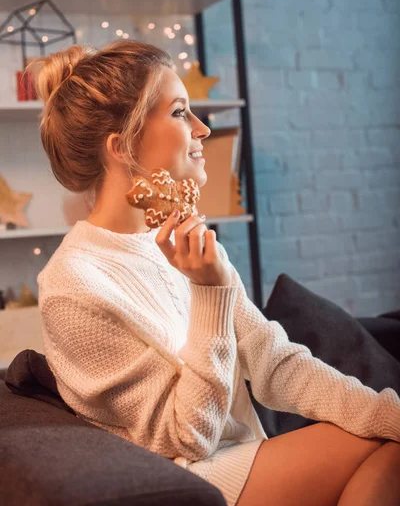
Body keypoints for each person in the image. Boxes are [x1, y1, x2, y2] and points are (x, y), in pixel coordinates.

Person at [33, 40, 400, 506]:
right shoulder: (74, 287)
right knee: (383, 449)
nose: (203, 129)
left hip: (250, 457)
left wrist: (389, 410)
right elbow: (187, 437)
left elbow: (275, 363)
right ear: (122, 146)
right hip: (190, 479)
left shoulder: (178, 242)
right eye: (181, 113)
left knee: (390, 439)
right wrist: (209, 293)